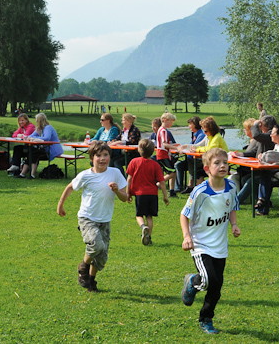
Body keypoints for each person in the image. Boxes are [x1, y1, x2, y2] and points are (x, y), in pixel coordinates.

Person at [180, 148, 241, 334]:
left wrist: (234, 224)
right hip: (201, 244)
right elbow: (184, 215)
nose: (222, 166)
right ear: (207, 168)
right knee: (207, 280)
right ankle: (192, 281)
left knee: (216, 287)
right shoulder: (200, 192)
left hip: (220, 246)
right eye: (217, 163)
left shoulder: (231, 188)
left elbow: (232, 208)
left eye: (225, 162)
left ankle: (206, 319)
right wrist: (187, 236)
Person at [57, 141, 128, 292]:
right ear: (92, 158)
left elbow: (125, 197)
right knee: (96, 245)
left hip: (105, 219)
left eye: (106, 155)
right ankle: (83, 267)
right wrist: (60, 205)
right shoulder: (85, 175)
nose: (102, 159)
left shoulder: (115, 173)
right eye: (98, 155)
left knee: (101, 257)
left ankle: (91, 280)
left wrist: (117, 190)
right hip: (87, 217)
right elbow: (70, 187)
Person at [126, 139, 169, 245]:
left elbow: (129, 179)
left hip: (140, 194)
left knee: (139, 215)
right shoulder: (155, 165)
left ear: (139, 150)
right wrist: (165, 196)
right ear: (153, 151)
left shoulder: (134, 162)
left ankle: (143, 226)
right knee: (149, 216)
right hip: (152, 194)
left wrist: (128, 192)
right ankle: (148, 237)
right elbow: (162, 182)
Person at [234, 115, 277, 204]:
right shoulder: (265, 135)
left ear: (266, 125)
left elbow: (256, 135)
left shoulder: (270, 135)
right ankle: (260, 201)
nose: (260, 126)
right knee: (245, 179)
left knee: (251, 180)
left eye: (261, 124)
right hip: (263, 168)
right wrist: (240, 154)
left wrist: (255, 124)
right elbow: (254, 151)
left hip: (270, 171)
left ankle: (236, 202)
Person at [17, 113, 63, 179]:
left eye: (36, 120)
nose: (35, 122)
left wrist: (36, 139)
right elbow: (31, 136)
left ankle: (30, 174)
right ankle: (24, 174)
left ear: (39, 121)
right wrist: (26, 137)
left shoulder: (48, 128)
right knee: (31, 153)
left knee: (34, 153)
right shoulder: (40, 129)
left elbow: (47, 138)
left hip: (52, 150)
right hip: (45, 149)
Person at [175, 116, 206, 194]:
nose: (189, 126)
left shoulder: (201, 135)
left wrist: (184, 148)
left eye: (190, 124)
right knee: (179, 165)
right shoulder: (195, 134)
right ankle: (181, 187)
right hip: (191, 158)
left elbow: (194, 147)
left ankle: (189, 187)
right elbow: (191, 145)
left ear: (195, 124)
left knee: (186, 163)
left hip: (197, 159)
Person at [156, 112, 180, 197]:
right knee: (172, 173)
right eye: (171, 121)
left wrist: (174, 145)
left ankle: (172, 191)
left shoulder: (161, 130)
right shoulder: (163, 131)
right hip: (162, 154)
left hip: (163, 154)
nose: (172, 123)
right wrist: (176, 148)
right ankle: (157, 185)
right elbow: (164, 144)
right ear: (165, 120)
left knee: (173, 171)